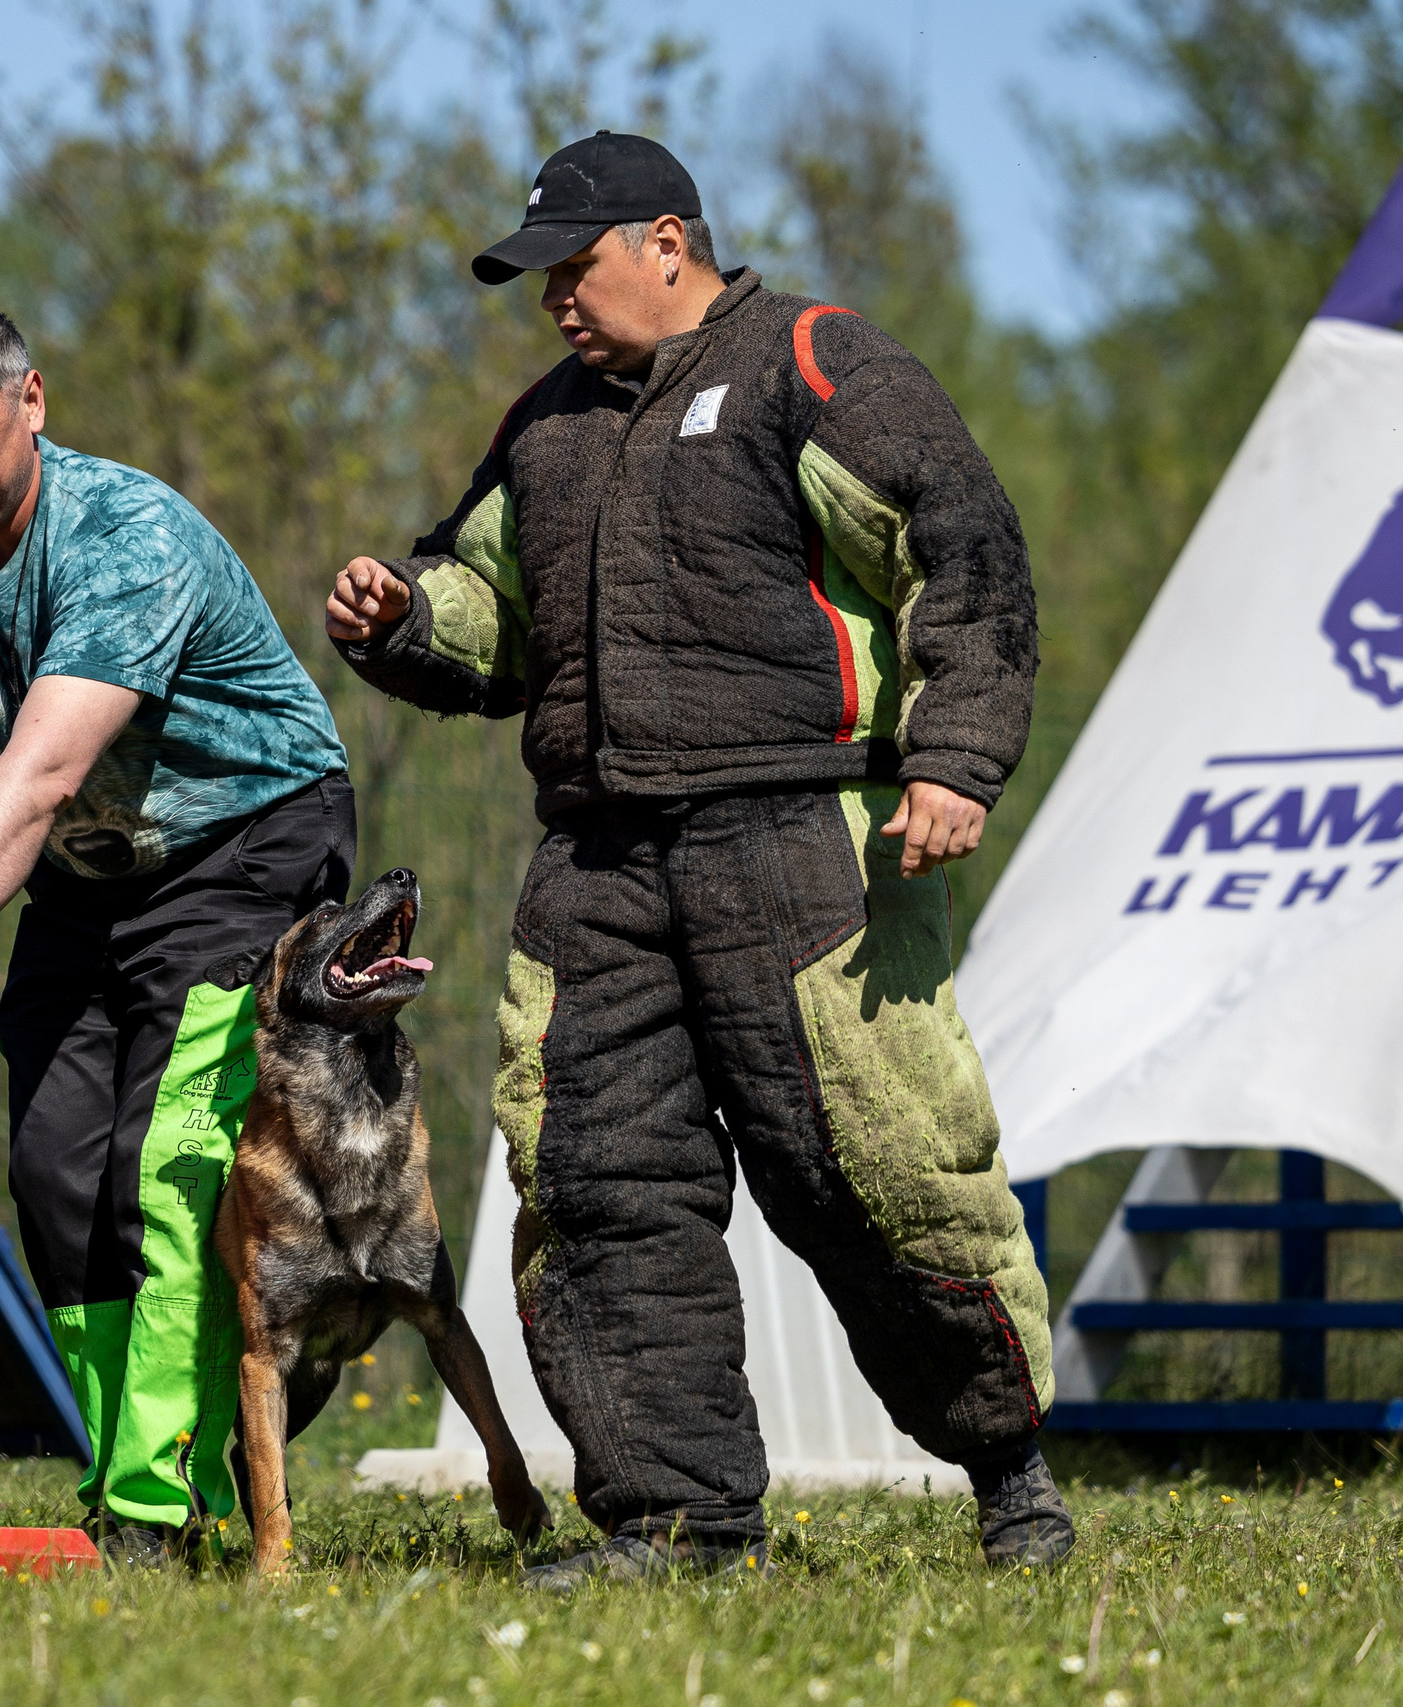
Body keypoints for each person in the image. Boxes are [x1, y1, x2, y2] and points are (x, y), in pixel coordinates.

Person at [326, 132, 1073, 1587]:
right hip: (596, 862)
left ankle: (1011, 1470)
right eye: (535, 274)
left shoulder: (812, 358)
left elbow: (959, 543)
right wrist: (404, 613)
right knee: (600, 1186)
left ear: (668, 240)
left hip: (797, 843)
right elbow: (492, 603)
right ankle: (676, 1522)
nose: (552, 297)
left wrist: (952, 757)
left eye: (575, 263)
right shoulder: (544, 424)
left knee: (871, 1171)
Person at [0, 301, 354, 1566]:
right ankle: (140, 1463)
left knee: (170, 1164)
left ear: (30, 403)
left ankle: (155, 1506)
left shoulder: (123, 533)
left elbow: (33, 772)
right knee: (52, 1169)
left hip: (249, 845)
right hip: (91, 874)